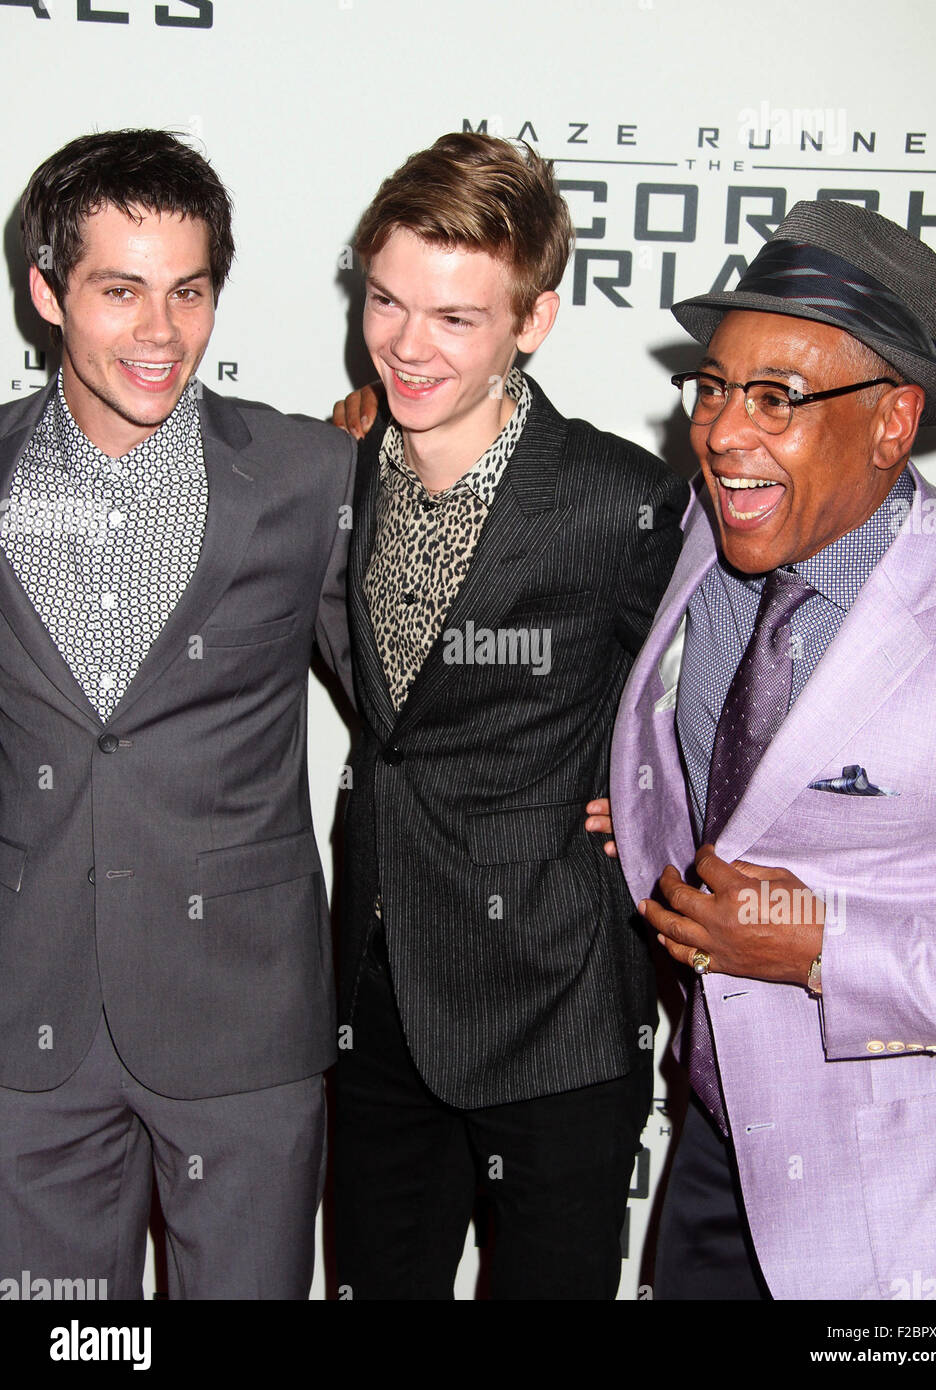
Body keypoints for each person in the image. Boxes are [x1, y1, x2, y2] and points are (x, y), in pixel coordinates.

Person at [610, 198, 936, 1300]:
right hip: (715, 1134)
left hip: (897, 1203)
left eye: (774, 398)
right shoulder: (717, 517)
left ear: (890, 421)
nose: (723, 432)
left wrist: (819, 946)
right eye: (715, 386)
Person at [332, 132, 688, 1299]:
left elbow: (704, 687)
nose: (406, 343)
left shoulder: (615, 499)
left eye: (454, 319)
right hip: (376, 999)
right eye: (386, 300)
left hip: (551, 1005)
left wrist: (654, 809)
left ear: (530, 322)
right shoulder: (328, 474)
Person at [0, 129, 354, 1299]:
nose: (160, 334)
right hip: (26, 1017)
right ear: (47, 292)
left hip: (240, 1019)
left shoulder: (308, 477)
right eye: (119, 290)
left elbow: (418, 695)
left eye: (188, 291)